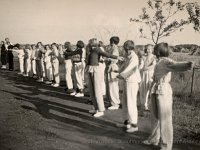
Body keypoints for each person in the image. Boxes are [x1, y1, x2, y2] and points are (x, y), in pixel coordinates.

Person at [143, 42, 193, 150]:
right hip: (155, 89)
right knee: (155, 116)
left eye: (155, 49)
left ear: (159, 51)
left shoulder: (166, 61)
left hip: (163, 91)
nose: (154, 51)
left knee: (165, 118)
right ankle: (154, 138)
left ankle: (166, 146)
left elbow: (176, 65)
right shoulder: (158, 61)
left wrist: (188, 64)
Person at [86, 38, 124, 117]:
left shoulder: (97, 49)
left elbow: (107, 54)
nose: (89, 43)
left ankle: (101, 109)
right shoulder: (91, 50)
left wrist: (117, 57)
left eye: (90, 42)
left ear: (93, 43)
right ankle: (96, 108)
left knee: (97, 90)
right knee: (92, 90)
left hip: (96, 70)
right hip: (90, 69)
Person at [117, 40, 141, 133]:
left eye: (124, 47)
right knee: (125, 102)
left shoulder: (134, 57)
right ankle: (126, 122)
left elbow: (130, 69)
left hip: (132, 82)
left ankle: (134, 125)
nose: (124, 49)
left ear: (127, 47)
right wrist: (118, 71)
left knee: (131, 103)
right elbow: (124, 66)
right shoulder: (129, 56)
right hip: (127, 81)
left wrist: (121, 75)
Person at [139, 44, 156, 113]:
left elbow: (154, 65)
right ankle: (144, 105)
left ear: (152, 50)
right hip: (144, 74)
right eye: (147, 49)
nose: (148, 50)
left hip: (151, 74)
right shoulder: (143, 57)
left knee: (151, 90)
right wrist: (139, 69)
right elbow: (141, 65)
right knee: (143, 89)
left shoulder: (154, 57)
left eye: (149, 49)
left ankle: (152, 106)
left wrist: (147, 68)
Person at [107, 36, 121, 110]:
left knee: (113, 86)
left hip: (113, 67)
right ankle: (113, 102)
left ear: (113, 42)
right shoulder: (113, 48)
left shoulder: (115, 49)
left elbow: (114, 59)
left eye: (111, 42)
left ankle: (115, 103)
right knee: (111, 86)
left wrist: (107, 58)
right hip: (111, 67)